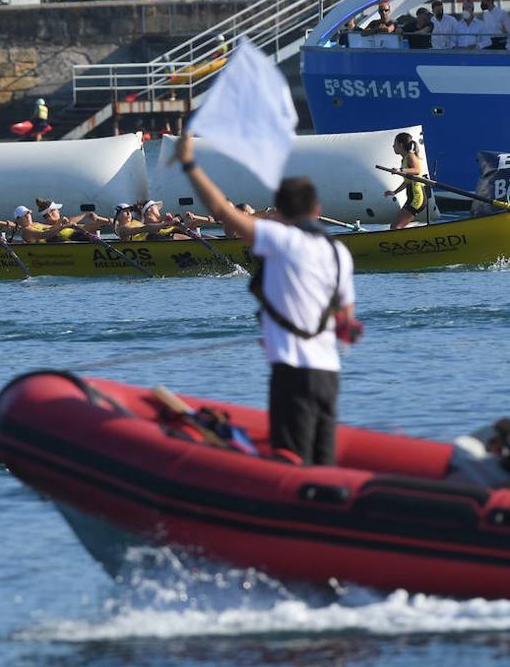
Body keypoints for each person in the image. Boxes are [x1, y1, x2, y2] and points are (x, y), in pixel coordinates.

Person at [176, 133, 357, 466]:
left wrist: (189, 164)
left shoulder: (281, 240)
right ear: (317, 209)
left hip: (292, 373)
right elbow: (347, 319)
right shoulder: (338, 251)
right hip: (330, 374)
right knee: (323, 464)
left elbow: (221, 211)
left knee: (291, 461)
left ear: (280, 213)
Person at [383, 131, 427, 229]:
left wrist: (401, 170)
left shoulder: (411, 156)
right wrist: (394, 192)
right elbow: (407, 182)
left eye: (395, 144)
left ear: (400, 145)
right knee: (395, 226)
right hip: (412, 197)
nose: (393, 146)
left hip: (417, 198)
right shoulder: (404, 160)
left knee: (396, 227)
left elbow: (418, 170)